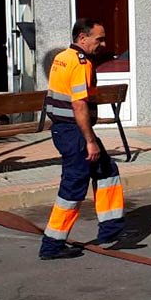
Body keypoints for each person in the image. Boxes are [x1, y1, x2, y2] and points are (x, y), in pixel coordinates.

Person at [39, 18, 126, 260]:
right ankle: (52, 244)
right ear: (82, 38)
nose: (103, 43)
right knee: (73, 185)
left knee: (107, 170)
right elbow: (78, 105)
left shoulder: (62, 57)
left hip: (66, 129)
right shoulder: (80, 63)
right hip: (74, 132)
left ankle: (111, 230)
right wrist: (90, 140)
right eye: (99, 39)